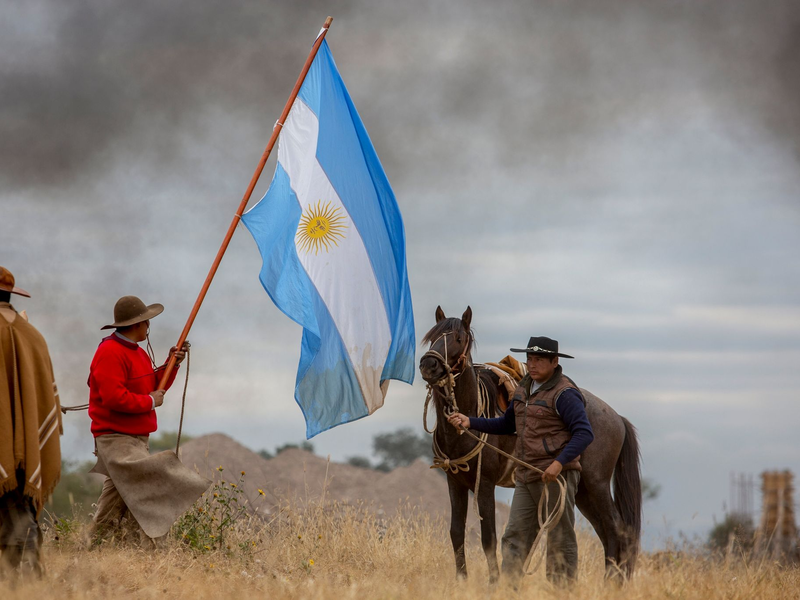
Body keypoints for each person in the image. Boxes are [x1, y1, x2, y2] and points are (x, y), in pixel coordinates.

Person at [447, 336, 594, 585]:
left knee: (560, 539)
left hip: (556, 477)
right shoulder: (523, 389)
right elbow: (507, 424)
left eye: (539, 360)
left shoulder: (565, 393)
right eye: (530, 359)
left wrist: (558, 463)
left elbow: (584, 433)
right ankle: (508, 590)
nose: (532, 364)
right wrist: (470, 421)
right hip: (526, 475)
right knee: (514, 536)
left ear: (554, 362)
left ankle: (563, 591)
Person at [88, 295, 197, 544]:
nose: (149, 326)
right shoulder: (109, 352)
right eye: (147, 321)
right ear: (137, 324)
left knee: (115, 501)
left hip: (134, 438)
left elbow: (154, 387)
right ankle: (152, 549)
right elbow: (113, 398)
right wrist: (149, 401)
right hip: (116, 438)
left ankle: (94, 547)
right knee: (151, 486)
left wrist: (172, 364)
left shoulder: (138, 353)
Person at [0, 266, 61, 576]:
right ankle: (27, 577)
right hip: (28, 447)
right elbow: (46, 397)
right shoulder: (33, 336)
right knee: (21, 507)